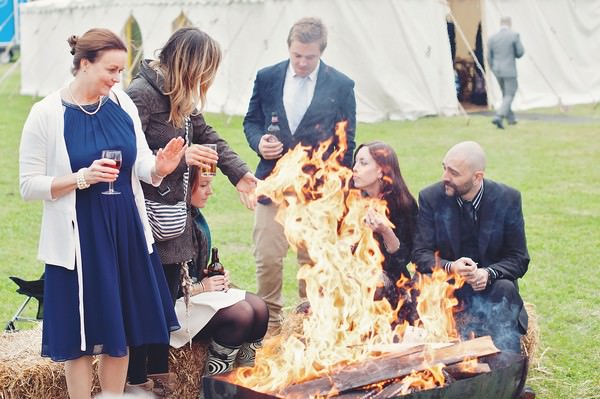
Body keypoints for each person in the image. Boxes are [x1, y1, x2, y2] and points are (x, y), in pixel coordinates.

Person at [18, 28, 183, 398]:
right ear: (84, 64)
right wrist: (81, 178)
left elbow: (139, 163)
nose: (117, 78)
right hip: (79, 237)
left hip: (125, 228)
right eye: (111, 70)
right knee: (78, 333)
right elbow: (28, 185)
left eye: (121, 71)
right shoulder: (45, 114)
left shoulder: (122, 103)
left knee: (118, 328)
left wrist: (160, 167)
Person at [125, 27, 257, 396]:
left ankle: (163, 379)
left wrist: (241, 175)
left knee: (163, 305)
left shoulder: (179, 97)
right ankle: (140, 383)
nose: (206, 81)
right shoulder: (140, 95)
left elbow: (210, 136)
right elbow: (125, 155)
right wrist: (181, 156)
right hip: (146, 219)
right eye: (205, 71)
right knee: (149, 308)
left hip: (173, 219)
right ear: (188, 65)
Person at [243, 17, 356, 333]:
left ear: (321, 52)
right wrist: (259, 142)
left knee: (313, 261)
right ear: (289, 49)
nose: (303, 63)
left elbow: (347, 143)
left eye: (310, 57)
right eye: (297, 56)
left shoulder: (342, 85)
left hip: (317, 191)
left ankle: (310, 322)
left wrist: (338, 190)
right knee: (266, 257)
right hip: (273, 184)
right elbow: (251, 122)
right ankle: (271, 324)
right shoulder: (267, 78)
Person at [411, 141, 529, 354]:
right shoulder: (430, 197)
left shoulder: (508, 198)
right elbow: (420, 254)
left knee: (506, 289)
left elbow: (519, 258)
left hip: (491, 287)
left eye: (454, 173)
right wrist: (450, 267)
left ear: (477, 177)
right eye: (444, 167)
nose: (445, 177)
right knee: (420, 285)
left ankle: (507, 370)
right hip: (446, 285)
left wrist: (488, 273)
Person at [169, 173, 268, 379]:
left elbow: (189, 269)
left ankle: (244, 382)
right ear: (185, 186)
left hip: (192, 297)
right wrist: (202, 287)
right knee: (240, 314)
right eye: (203, 185)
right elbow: (165, 285)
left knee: (259, 307)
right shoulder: (170, 222)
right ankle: (216, 388)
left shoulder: (194, 214)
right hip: (168, 308)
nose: (210, 191)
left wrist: (213, 276)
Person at [351, 142, 418, 308]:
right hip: (353, 275)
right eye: (356, 161)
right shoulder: (353, 199)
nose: (354, 168)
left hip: (388, 285)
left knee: (373, 282)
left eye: (363, 163)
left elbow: (402, 260)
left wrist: (386, 232)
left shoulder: (402, 205)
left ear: (381, 170)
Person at [488, 16, 524, 129]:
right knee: (509, 94)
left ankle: (511, 119)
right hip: (509, 70)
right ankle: (499, 116)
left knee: (505, 94)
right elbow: (520, 52)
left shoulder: (492, 38)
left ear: (500, 23)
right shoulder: (514, 35)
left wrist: (493, 68)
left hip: (497, 70)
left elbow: (489, 57)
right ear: (510, 23)